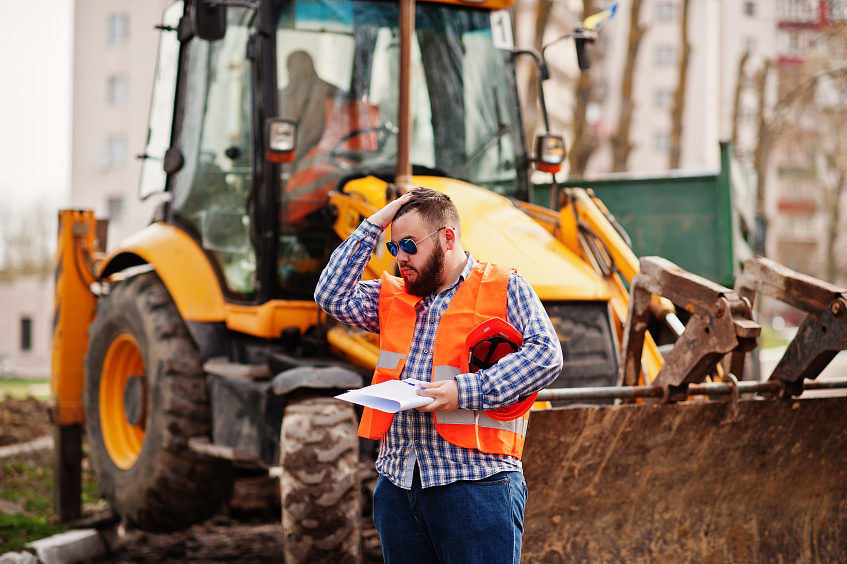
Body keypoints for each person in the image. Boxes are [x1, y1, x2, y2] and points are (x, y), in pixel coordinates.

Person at [314, 186, 563, 564]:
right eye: (394, 248)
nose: (401, 258)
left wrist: (465, 391)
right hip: (399, 486)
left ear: (448, 238)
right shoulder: (394, 296)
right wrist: (377, 223)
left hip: (476, 486)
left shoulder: (504, 287)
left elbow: (546, 355)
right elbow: (331, 295)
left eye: (410, 245)